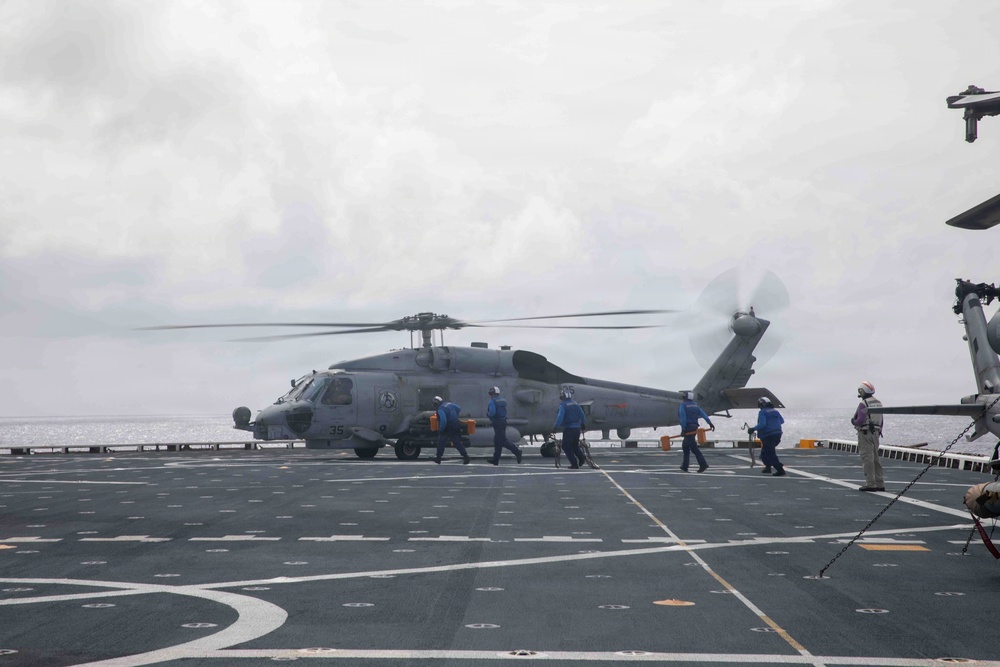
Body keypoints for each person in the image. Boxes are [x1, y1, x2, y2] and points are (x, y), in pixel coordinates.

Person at [851, 380, 885, 491]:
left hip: (865, 434)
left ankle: (870, 483)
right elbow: (882, 420)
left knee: (867, 458)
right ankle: (880, 483)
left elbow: (860, 420)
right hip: (876, 433)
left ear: (862, 391)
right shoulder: (878, 402)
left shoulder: (863, 404)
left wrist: (853, 421)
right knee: (876, 458)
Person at [678, 390, 714, 473]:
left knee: (693, 448)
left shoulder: (683, 405)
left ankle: (703, 464)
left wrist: (683, 429)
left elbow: (683, 418)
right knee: (686, 446)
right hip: (694, 428)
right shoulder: (695, 405)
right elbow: (704, 415)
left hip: (687, 428)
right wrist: (710, 423)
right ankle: (685, 465)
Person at [486, 386, 522, 465]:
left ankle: (517, 451)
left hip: (497, 422)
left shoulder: (492, 401)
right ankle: (495, 460)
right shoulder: (503, 400)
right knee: (497, 441)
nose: (490, 395)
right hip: (503, 421)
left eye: (491, 393)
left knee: (503, 441)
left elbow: (492, 412)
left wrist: (488, 415)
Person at [553, 389, 587, 469]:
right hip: (577, 428)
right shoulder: (575, 403)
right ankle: (581, 457)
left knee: (566, 446)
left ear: (562, 397)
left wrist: (555, 427)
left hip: (569, 429)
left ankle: (574, 463)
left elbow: (560, 417)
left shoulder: (563, 405)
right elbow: (582, 415)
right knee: (575, 445)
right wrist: (583, 424)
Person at [432, 396, 471, 465]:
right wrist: (455, 416)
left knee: (441, 442)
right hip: (456, 424)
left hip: (448, 427)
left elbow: (443, 420)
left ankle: (438, 458)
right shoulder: (448, 404)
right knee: (457, 442)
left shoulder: (440, 410)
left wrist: (441, 429)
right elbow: (458, 408)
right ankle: (466, 457)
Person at [753, 397, 785, 476]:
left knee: (770, 453)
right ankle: (768, 467)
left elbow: (762, 424)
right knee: (764, 452)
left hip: (768, 436)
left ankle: (780, 469)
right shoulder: (775, 411)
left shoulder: (763, 412)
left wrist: (753, 429)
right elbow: (782, 421)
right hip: (778, 434)